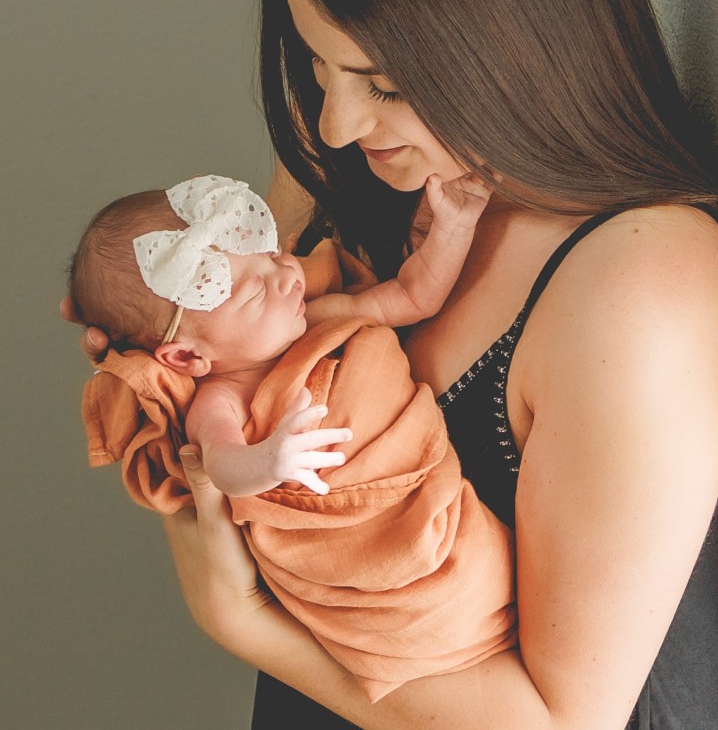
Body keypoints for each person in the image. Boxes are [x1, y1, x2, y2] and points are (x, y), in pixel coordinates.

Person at [63, 0, 718, 727]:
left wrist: (242, 621)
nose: (331, 124)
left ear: (517, 48)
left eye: (383, 84)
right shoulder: (349, 165)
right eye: (319, 65)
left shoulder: (644, 287)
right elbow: (201, 376)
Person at [70, 171, 516, 700]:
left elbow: (414, 297)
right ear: (189, 357)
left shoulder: (318, 315)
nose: (288, 277)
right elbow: (221, 464)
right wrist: (269, 461)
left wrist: (455, 227)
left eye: (274, 256)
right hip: (363, 549)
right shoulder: (219, 399)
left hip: (422, 498)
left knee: (487, 567)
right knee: (449, 591)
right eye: (256, 290)